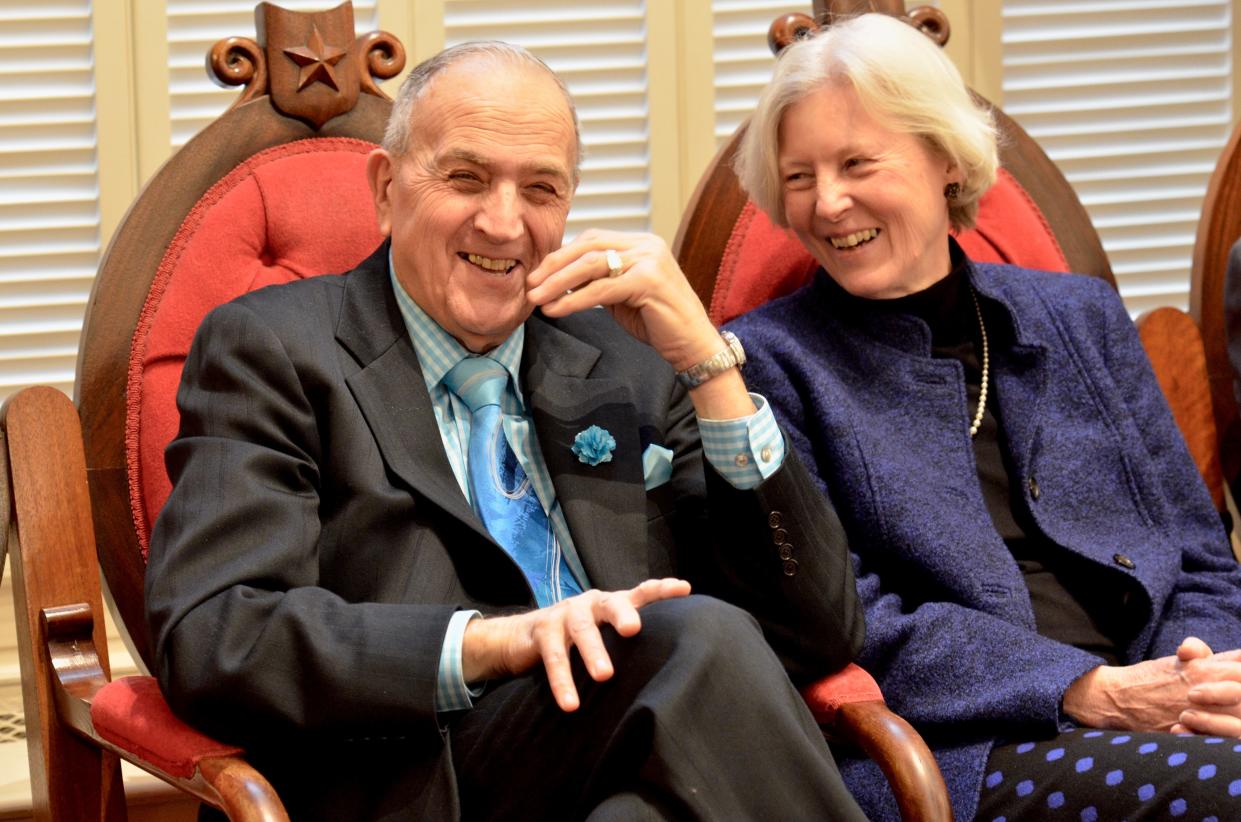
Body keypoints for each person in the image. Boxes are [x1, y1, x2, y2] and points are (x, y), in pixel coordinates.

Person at [144, 41, 868, 821]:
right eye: (465, 178)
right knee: (698, 637)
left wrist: (707, 363)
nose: (503, 222)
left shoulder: (621, 360)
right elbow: (218, 633)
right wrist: (496, 642)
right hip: (413, 775)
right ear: (387, 191)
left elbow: (814, 633)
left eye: (540, 189)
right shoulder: (273, 349)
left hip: (613, 765)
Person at [726, 13, 1241, 822]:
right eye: (799, 177)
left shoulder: (1081, 317)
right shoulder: (767, 365)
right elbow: (846, 621)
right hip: (973, 746)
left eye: (858, 162)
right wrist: (1083, 692)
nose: (828, 203)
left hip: (1169, 707)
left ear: (944, 161)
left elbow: (1198, 551)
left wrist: (1200, 676)